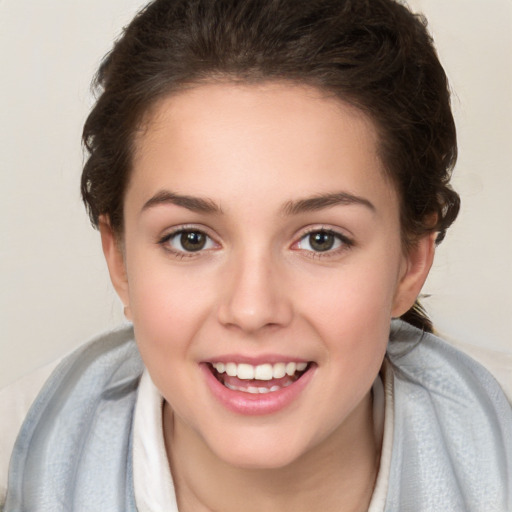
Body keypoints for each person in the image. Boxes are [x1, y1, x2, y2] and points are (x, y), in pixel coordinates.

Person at [2, 0, 511, 511]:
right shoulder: (14, 452)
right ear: (120, 261)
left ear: (410, 263)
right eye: (191, 239)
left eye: (321, 239)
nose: (251, 309)